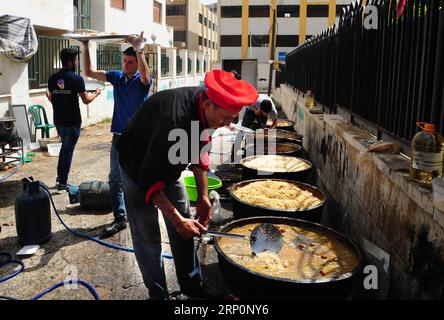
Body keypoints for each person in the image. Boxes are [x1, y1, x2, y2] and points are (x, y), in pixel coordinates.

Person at [117, 70, 258, 299]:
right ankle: (158, 293)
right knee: (148, 235)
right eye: (226, 118)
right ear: (210, 105)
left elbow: (201, 151)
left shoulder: (205, 108)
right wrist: (176, 219)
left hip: (166, 165)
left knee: (186, 227)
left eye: (233, 119)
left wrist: (203, 196)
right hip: (136, 165)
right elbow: (149, 179)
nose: (227, 124)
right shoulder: (174, 120)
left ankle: (193, 287)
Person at [81, 32, 152, 236]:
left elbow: (146, 76)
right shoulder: (117, 77)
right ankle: (120, 218)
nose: (126, 65)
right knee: (115, 179)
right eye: (125, 61)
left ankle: (142, 214)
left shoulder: (143, 80)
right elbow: (90, 72)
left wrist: (139, 50)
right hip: (119, 138)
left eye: (130, 62)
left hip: (139, 138)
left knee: (139, 178)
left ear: (137, 63)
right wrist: (86, 46)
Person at [47, 48, 102, 191]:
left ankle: (60, 179)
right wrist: (96, 93)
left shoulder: (52, 79)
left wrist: (50, 96)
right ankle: (62, 182)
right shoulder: (76, 79)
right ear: (71, 61)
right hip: (72, 122)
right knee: (67, 151)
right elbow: (86, 100)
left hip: (59, 121)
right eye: (76, 60)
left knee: (64, 149)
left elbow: (54, 99)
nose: (77, 62)